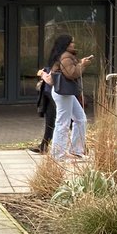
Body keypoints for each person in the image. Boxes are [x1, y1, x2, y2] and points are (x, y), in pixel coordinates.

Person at [44, 32, 91, 162]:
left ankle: (76, 151)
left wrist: (80, 63)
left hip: (65, 92)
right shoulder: (65, 56)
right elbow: (71, 74)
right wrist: (83, 65)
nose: (73, 44)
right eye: (72, 42)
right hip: (63, 93)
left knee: (80, 119)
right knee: (63, 122)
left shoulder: (64, 55)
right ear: (66, 44)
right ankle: (58, 154)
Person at [30, 62, 57, 155]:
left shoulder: (64, 58)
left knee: (69, 121)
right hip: (48, 94)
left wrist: (43, 74)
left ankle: (81, 146)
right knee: (50, 121)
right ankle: (43, 146)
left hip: (57, 94)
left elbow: (52, 79)